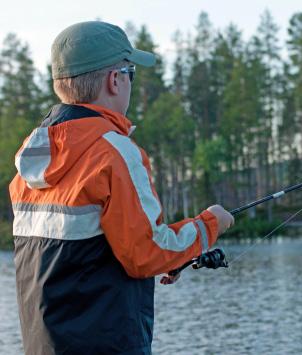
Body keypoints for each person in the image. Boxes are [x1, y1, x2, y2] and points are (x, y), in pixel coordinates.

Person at [9, 21, 234, 355]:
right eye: (131, 72)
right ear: (115, 80)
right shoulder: (114, 153)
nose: (130, 81)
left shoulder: (31, 157)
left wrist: (167, 256)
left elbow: (84, 251)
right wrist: (210, 224)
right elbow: (146, 254)